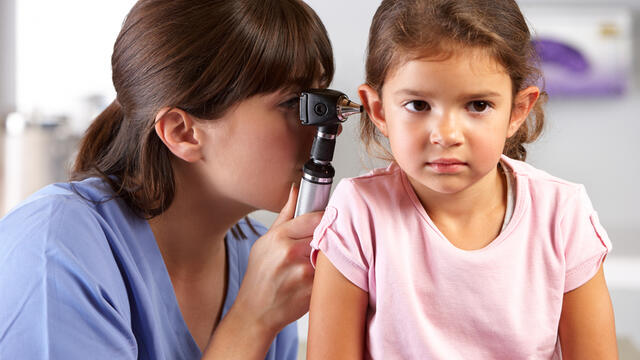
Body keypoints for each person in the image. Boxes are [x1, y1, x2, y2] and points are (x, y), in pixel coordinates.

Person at [0, 0, 333, 359]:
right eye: (292, 103)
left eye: (320, 98)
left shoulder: (269, 264)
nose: (327, 126)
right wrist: (250, 322)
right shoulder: (56, 249)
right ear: (182, 132)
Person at [307, 0, 618, 359]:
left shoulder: (562, 215)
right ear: (379, 110)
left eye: (478, 105)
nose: (446, 134)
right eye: (419, 105)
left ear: (518, 110)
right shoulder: (359, 213)